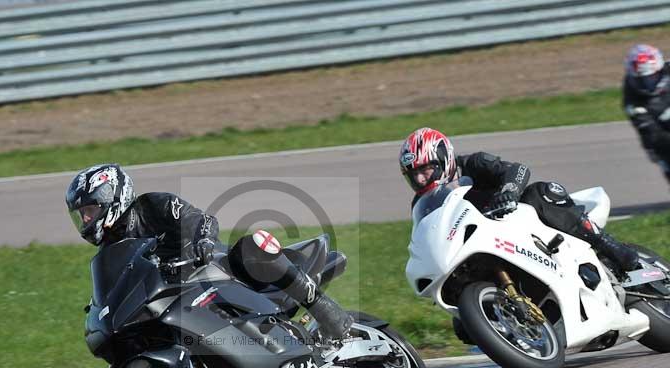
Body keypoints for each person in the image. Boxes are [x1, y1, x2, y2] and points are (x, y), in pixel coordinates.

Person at [65, 163, 352, 339]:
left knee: (252, 246)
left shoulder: (152, 206)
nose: (86, 220)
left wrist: (202, 241)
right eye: (81, 215)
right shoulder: (110, 251)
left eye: (89, 210)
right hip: (175, 298)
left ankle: (327, 312)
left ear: (111, 197)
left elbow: (198, 220)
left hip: (213, 268)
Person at [398, 127, 640, 272]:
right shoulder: (422, 205)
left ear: (443, 158)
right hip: (487, 243)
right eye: (413, 174)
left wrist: (509, 192)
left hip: (521, 220)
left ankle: (609, 245)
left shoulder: (474, 163)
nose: (420, 178)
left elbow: (518, 169)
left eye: (425, 169)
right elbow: (427, 237)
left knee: (542, 192)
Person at [623, 44, 670, 186]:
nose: (648, 83)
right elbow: (651, 134)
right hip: (663, 136)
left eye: (652, 77)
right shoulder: (634, 101)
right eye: (642, 80)